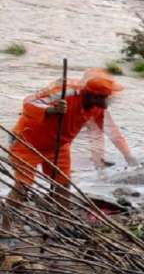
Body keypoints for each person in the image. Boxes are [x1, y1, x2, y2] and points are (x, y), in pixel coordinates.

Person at [3, 69, 134, 229]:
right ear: (92, 95)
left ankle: (60, 224)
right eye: (104, 98)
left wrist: (127, 154)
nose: (107, 102)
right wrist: (51, 110)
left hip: (59, 146)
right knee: (23, 186)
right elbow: (28, 103)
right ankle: (5, 227)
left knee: (63, 185)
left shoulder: (98, 108)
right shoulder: (65, 92)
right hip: (27, 142)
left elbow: (112, 131)